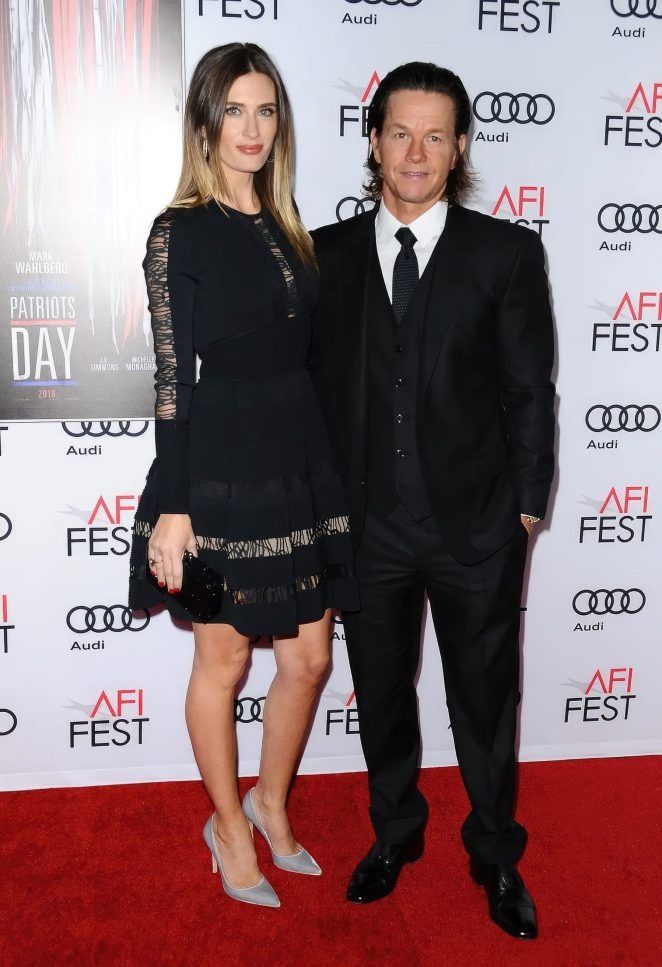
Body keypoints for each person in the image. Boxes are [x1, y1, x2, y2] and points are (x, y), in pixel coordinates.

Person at [310, 62, 555, 939]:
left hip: (476, 528)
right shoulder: (325, 255)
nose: (416, 152)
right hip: (367, 529)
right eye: (400, 133)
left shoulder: (506, 252)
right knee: (381, 693)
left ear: (459, 150)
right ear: (372, 141)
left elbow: (531, 390)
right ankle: (395, 834)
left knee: (485, 700)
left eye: (436, 135)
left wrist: (526, 507)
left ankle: (494, 851)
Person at [128, 42, 358, 910]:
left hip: (297, 462)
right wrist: (176, 506)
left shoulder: (290, 223)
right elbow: (169, 378)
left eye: (266, 111)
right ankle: (227, 824)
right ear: (205, 120)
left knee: (307, 655)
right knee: (221, 661)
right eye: (235, 110)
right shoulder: (178, 231)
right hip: (218, 472)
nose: (252, 129)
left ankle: (270, 800)